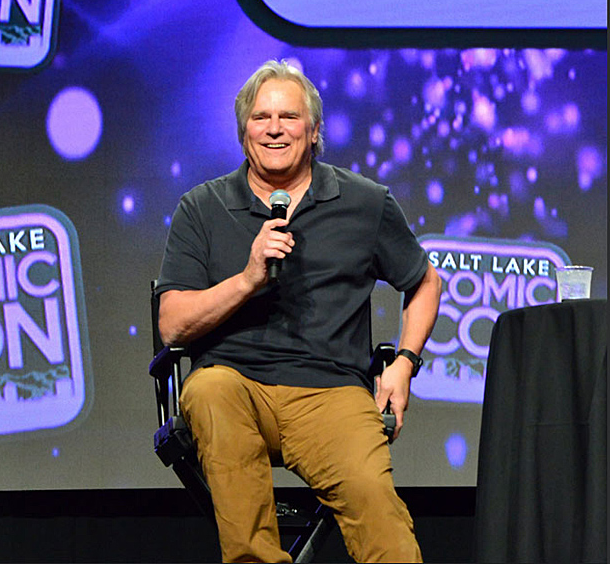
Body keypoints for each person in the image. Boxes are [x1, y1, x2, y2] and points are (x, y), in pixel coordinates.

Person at [156, 60, 441, 563]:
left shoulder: (365, 202)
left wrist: (405, 363)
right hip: (234, 386)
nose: (274, 128)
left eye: (288, 117)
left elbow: (425, 282)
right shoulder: (201, 207)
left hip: (332, 393)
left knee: (381, 519)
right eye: (260, 118)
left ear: (313, 131)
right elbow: (173, 324)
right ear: (244, 132)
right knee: (209, 390)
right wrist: (248, 279)